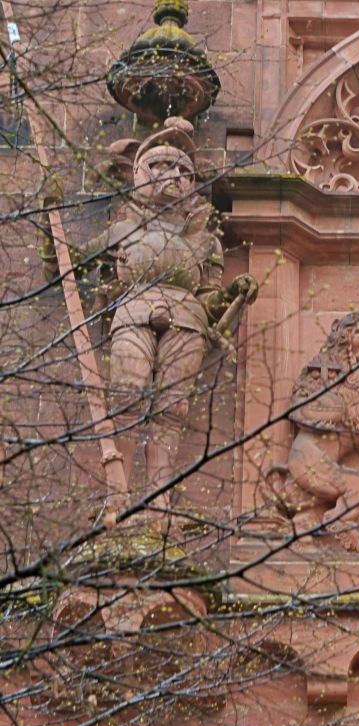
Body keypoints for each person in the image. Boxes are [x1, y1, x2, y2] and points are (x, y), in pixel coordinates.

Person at [41, 117, 257, 502]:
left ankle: (159, 499)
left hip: (188, 321)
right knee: (127, 397)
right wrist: (49, 224)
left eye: (182, 170)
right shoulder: (123, 228)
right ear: (140, 171)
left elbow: (208, 298)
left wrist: (231, 295)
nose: (173, 174)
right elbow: (67, 264)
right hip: (133, 310)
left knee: (172, 413)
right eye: (161, 165)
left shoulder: (205, 238)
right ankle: (116, 493)